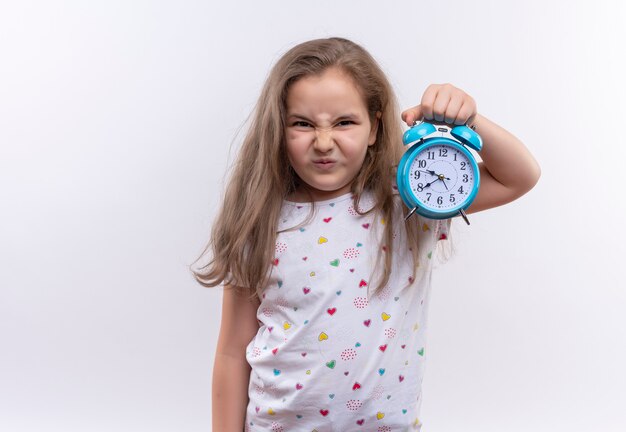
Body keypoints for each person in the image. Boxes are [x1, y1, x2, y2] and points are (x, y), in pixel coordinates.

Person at [191, 37, 540, 432]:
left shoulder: (409, 201)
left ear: (374, 126)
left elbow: (520, 177)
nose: (324, 142)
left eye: (344, 122)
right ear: (279, 127)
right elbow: (234, 353)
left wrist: (469, 121)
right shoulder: (260, 220)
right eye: (302, 124)